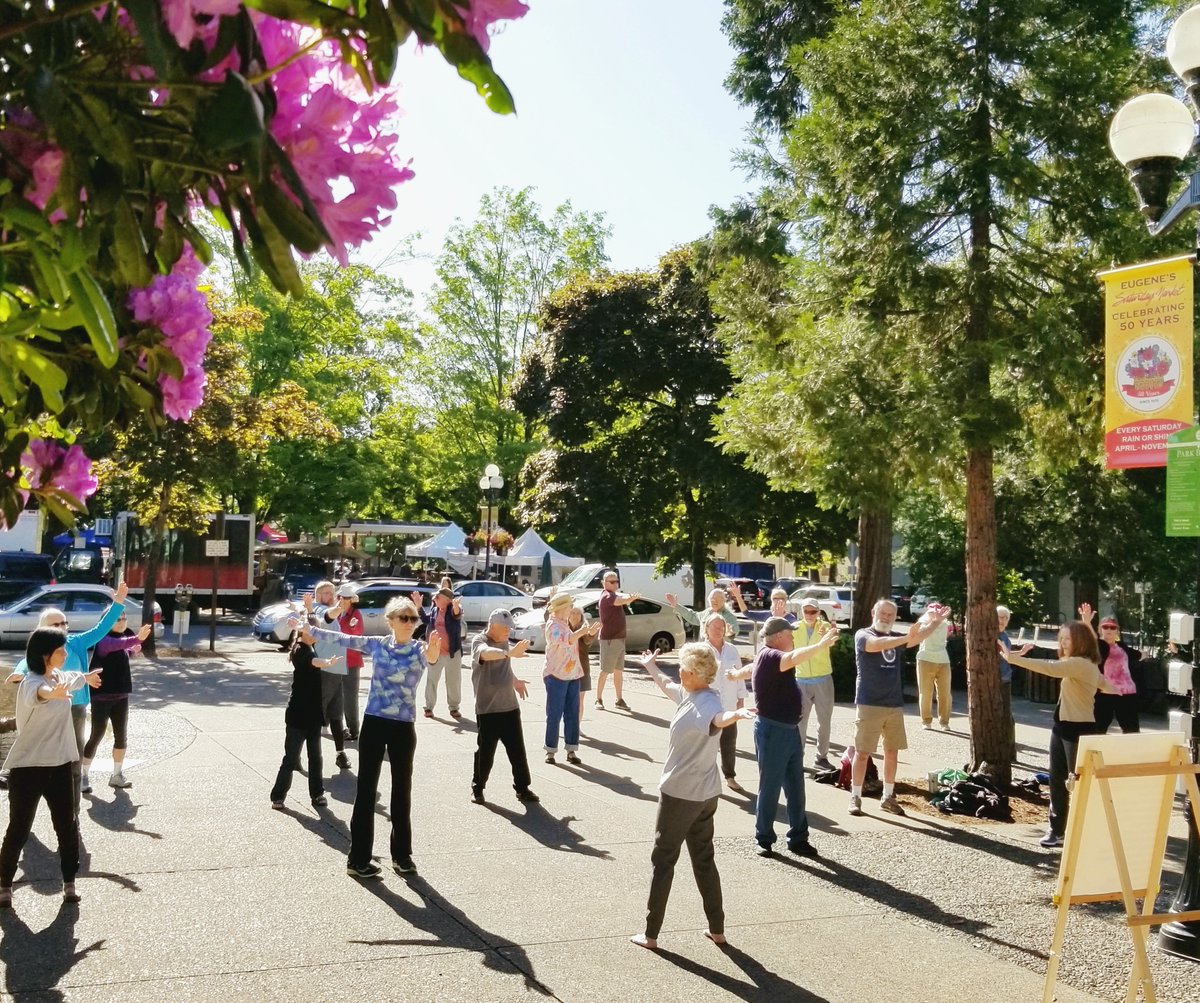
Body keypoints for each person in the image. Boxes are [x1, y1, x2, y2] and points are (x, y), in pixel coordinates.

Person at [631, 642, 755, 951]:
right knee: (703, 859)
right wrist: (651, 667)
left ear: (694, 674)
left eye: (683, 669)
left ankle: (651, 934)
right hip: (705, 794)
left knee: (663, 859)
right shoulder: (692, 695)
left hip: (681, 795)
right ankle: (717, 930)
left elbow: (717, 719)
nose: (679, 673)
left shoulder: (706, 705)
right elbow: (669, 686)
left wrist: (736, 714)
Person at [308, 595, 442, 878]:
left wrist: (433, 652)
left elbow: (432, 657)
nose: (409, 623)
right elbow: (343, 638)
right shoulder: (378, 644)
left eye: (413, 618)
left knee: (401, 792)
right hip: (374, 723)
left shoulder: (420, 649)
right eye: (403, 618)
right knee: (366, 791)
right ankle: (357, 860)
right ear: (390, 621)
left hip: (403, 727)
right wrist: (313, 629)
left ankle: (402, 856)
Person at [1, 628, 102, 908]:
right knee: (19, 829)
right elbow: (42, 693)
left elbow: (71, 678)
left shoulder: (58, 676)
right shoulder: (32, 683)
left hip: (59, 766)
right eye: (61, 650)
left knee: (67, 827)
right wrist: (53, 693)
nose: (66, 654)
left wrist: (86, 678)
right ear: (46, 654)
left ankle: (69, 884)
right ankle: (4, 886)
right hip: (28, 768)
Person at [6, 582, 129, 806]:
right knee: (35, 761)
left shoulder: (76, 642)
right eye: (56, 623)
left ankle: (73, 812)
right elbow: (27, 663)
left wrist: (118, 602)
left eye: (65, 622)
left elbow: (101, 629)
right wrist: (18, 673)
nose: (63, 626)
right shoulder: (40, 648)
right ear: (44, 628)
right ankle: (21, 799)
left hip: (75, 707)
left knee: (73, 760)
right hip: (46, 709)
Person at [1004, 620, 1117, 848]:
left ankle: (1085, 830)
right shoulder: (1080, 664)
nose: (1063, 643)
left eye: (1068, 638)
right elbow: (1104, 684)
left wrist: (1013, 659)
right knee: (1057, 780)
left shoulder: (1081, 664)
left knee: (1078, 783)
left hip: (1079, 729)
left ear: (1080, 642)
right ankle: (1057, 830)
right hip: (1061, 726)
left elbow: (1050, 668)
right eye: (1061, 638)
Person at [849, 599, 948, 818]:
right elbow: (875, 645)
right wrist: (906, 637)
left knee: (891, 752)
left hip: (893, 704)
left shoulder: (896, 637)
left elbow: (919, 637)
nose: (886, 617)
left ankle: (888, 796)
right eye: (882, 613)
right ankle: (855, 796)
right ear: (874, 612)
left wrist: (935, 623)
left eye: (890, 615)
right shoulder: (863, 634)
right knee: (863, 753)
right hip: (869, 703)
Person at [751, 616, 839, 858]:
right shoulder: (771, 655)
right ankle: (764, 838)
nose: (792, 637)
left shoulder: (770, 657)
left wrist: (737, 674)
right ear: (778, 635)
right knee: (769, 787)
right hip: (773, 731)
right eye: (790, 633)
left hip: (789, 730)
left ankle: (798, 838)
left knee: (796, 787)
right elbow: (792, 657)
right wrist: (821, 645)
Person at [469, 609, 539, 804]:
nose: (509, 630)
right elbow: (486, 654)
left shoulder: (505, 642)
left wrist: (515, 681)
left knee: (518, 752)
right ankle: (478, 787)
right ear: (492, 626)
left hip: (509, 707)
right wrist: (508, 653)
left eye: (510, 627)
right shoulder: (479, 641)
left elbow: (504, 666)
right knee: (485, 754)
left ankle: (523, 788)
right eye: (505, 627)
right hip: (488, 709)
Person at [271, 618, 340, 809]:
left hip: (313, 715)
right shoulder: (300, 649)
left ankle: (317, 795)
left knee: (315, 757)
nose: (315, 633)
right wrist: (327, 662)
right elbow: (314, 662)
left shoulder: (311, 647)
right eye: (312, 630)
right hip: (297, 715)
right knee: (291, 758)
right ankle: (278, 796)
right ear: (302, 632)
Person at [79, 611, 153, 790]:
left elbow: (124, 647)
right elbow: (117, 645)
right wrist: (136, 640)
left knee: (121, 736)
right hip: (102, 697)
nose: (121, 622)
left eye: (123, 618)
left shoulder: (122, 638)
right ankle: (82, 776)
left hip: (121, 696)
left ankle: (117, 775)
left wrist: (133, 648)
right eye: (116, 619)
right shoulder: (103, 639)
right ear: (106, 622)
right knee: (97, 734)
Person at [700, 612, 751, 793]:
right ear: (706, 628)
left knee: (729, 744)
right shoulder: (702, 650)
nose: (718, 631)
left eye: (721, 627)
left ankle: (730, 777)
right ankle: (706, 779)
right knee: (708, 745)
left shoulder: (732, 650)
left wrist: (741, 699)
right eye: (715, 627)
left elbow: (739, 676)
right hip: (709, 706)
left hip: (729, 705)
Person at [543, 592, 595, 763]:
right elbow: (567, 640)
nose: (571, 610)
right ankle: (550, 750)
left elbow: (576, 639)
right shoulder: (553, 625)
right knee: (555, 713)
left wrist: (588, 632)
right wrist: (581, 631)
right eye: (569, 607)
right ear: (562, 609)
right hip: (556, 675)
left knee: (572, 713)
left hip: (573, 675)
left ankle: (571, 750)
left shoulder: (564, 623)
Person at [1083, 604, 1141, 735]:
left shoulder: (1122, 646)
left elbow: (1137, 655)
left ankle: (1132, 754)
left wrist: (1144, 654)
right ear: (1100, 630)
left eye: (1112, 627)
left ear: (1117, 631)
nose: (1108, 630)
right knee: (1097, 730)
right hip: (1105, 692)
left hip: (1127, 693)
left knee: (1131, 731)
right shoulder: (1099, 647)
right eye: (1105, 627)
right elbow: (1091, 641)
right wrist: (1087, 623)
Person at [311, 581, 351, 771]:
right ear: (318, 596)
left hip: (336, 671)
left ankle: (340, 753)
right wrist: (339, 607)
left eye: (333, 592)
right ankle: (298, 754)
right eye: (327, 593)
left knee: (336, 715)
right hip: (324, 671)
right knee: (315, 716)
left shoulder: (333, 611)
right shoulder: (319, 610)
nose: (332, 595)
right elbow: (329, 615)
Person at [794, 599, 836, 770]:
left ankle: (821, 757)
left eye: (813, 612)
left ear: (819, 612)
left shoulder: (825, 627)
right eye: (806, 611)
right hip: (801, 679)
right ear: (802, 612)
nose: (810, 615)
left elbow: (832, 639)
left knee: (824, 721)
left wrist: (831, 636)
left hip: (823, 679)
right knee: (800, 723)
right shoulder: (795, 627)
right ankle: (797, 757)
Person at [418, 587, 464, 720]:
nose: (434, 598)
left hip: (452, 652)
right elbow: (426, 620)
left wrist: (456, 606)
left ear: (447, 600)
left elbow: (457, 613)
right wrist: (419, 606)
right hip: (435, 652)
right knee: (432, 680)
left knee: (453, 681)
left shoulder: (452, 609)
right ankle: (428, 707)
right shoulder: (435, 609)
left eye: (438, 597)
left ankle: (454, 708)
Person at [595, 570, 639, 711]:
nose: (615, 584)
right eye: (612, 582)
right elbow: (620, 600)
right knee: (605, 670)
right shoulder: (607, 596)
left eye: (616, 581)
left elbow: (621, 598)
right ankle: (598, 699)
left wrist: (629, 597)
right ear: (604, 583)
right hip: (609, 639)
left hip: (619, 639)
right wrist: (630, 599)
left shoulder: (612, 595)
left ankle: (619, 699)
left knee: (618, 671)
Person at [916, 601, 953, 731]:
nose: (934, 613)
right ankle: (926, 721)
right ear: (928, 611)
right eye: (932, 611)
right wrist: (935, 621)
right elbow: (921, 634)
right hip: (925, 659)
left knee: (945, 694)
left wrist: (940, 620)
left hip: (943, 661)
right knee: (925, 693)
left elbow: (947, 635)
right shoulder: (923, 622)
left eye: (937, 610)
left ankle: (944, 722)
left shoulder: (945, 623)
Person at [337, 585, 365, 741]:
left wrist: (353, 627)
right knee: (338, 696)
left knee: (350, 697)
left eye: (346, 598)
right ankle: (341, 727)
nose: (342, 600)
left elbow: (357, 637)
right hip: (338, 659)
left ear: (350, 600)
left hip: (351, 661)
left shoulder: (356, 614)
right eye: (341, 597)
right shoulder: (338, 613)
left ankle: (353, 729)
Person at [997, 605, 1016, 751]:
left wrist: (1022, 651)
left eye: (1005, 618)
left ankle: (1010, 750)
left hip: (1005, 679)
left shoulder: (1005, 636)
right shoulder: (993, 636)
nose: (1002, 620)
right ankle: (1006, 749)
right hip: (997, 680)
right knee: (1003, 717)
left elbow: (1008, 656)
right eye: (999, 617)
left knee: (1007, 717)